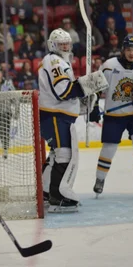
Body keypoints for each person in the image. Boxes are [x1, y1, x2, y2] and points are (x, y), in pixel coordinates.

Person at [39, 29, 108, 213]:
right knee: (64, 154)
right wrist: (89, 84)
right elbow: (63, 91)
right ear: (53, 45)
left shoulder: (62, 61)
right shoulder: (53, 61)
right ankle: (58, 197)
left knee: (57, 155)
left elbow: (69, 93)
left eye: (67, 44)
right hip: (54, 115)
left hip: (57, 115)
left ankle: (45, 192)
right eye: (62, 44)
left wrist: (87, 104)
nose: (65, 47)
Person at [89, 35, 133, 199]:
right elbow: (95, 88)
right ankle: (100, 179)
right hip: (114, 114)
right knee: (109, 148)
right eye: (129, 50)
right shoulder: (109, 66)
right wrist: (94, 106)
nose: (132, 53)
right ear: (123, 50)